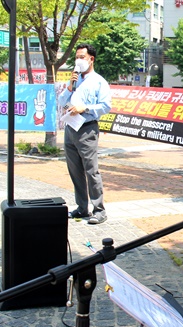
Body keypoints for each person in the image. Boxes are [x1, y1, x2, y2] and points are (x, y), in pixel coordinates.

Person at [58, 43, 111, 224]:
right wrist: (70, 87)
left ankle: (99, 210)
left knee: (91, 170)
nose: (78, 61)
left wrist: (85, 107)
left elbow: (106, 106)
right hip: (71, 127)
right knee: (75, 171)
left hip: (87, 128)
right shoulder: (74, 81)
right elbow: (61, 101)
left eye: (82, 57)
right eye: (77, 57)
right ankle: (82, 208)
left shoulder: (99, 82)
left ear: (91, 59)